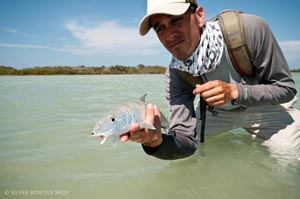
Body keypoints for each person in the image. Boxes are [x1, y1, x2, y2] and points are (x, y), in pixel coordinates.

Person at [120, 0, 300, 160]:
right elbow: (184, 141)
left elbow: (286, 88)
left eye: (176, 20)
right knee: (184, 156)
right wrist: (156, 144)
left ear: (199, 16)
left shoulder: (251, 29)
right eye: (160, 28)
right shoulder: (176, 74)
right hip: (216, 113)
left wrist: (235, 92)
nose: (169, 36)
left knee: (288, 156)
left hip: (263, 106)